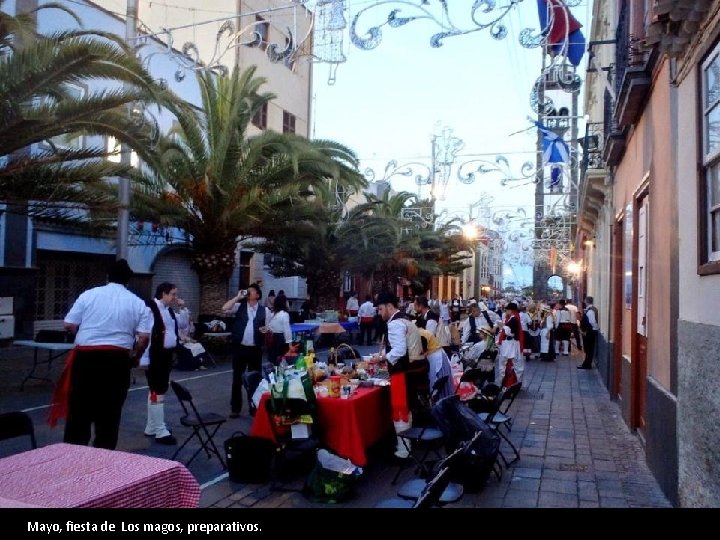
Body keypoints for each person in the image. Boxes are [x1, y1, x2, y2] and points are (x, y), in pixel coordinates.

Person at [57, 259, 152, 450]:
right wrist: (135, 356)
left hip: (86, 359)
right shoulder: (138, 303)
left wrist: (84, 336)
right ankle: (102, 463)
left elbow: (69, 324)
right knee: (110, 414)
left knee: (79, 412)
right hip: (116, 361)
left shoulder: (89, 295)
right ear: (128, 280)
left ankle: (72, 457)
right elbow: (143, 338)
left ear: (107, 276)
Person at [372, 291, 424, 459]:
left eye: (380, 309)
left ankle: (403, 452)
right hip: (413, 370)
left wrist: (381, 357)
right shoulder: (405, 318)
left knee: (400, 409)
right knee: (406, 409)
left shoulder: (394, 323)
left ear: (389, 306)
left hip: (402, 372)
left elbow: (400, 351)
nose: (379, 313)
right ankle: (407, 445)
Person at [222, 283, 270, 418]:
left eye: (252, 291)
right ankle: (235, 408)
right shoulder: (239, 307)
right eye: (247, 291)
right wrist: (237, 297)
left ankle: (253, 407)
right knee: (237, 378)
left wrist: (266, 330)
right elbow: (224, 308)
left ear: (258, 295)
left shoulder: (264, 310)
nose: (249, 293)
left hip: (255, 349)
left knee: (254, 378)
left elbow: (269, 327)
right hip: (240, 348)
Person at [140, 282, 179, 445]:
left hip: (166, 355)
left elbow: (180, 326)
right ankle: (160, 430)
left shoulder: (168, 310)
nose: (175, 297)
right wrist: (144, 358)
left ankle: (152, 426)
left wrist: (182, 309)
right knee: (157, 390)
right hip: (155, 355)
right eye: (173, 294)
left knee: (157, 390)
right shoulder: (151, 309)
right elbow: (146, 334)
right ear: (163, 293)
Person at [418, 327, 454, 401]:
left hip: (434, 356)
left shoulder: (419, 334)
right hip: (436, 355)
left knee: (437, 382)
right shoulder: (421, 332)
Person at [496, 302, 525, 387]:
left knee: (514, 363)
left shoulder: (514, 319)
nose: (506, 311)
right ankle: (505, 382)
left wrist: (503, 326)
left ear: (511, 310)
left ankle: (516, 382)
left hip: (511, 343)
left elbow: (511, 332)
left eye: (507, 310)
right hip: (508, 344)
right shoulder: (510, 318)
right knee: (510, 364)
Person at [267, 292, 292, 365]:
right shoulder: (284, 314)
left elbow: (269, 326)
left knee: (273, 360)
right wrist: (290, 344)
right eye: (286, 301)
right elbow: (287, 330)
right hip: (280, 339)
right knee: (281, 360)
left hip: (272, 338)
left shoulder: (272, 313)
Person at [578, 296, 600, 369]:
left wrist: (595, 328)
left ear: (586, 301)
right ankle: (586, 363)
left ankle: (587, 364)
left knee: (588, 349)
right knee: (588, 349)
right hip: (589, 331)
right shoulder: (591, 309)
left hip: (589, 332)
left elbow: (592, 322)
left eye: (584, 300)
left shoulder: (590, 311)